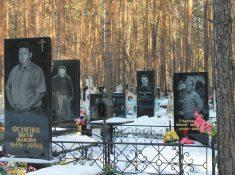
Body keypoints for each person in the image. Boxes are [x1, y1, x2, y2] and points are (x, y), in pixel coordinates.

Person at [6, 44, 46, 111]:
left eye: (25, 53)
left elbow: (41, 93)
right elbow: (7, 87)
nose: (22, 57)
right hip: (15, 110)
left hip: (32, 111)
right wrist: (11, 104)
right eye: (20, 54)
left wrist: (27, 107)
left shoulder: (37, 70)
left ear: (30, 55)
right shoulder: (14, 70)